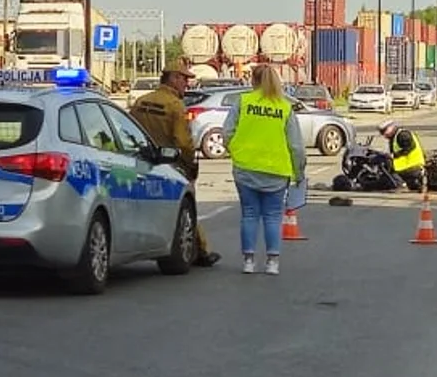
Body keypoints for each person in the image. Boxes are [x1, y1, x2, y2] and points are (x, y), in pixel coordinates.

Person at [129, 58, 221, 267]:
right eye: (184, 79)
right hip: (170, 164)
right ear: (173, 78)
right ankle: (201, 251)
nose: (186, 84)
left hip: (140, 162)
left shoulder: (142, 101)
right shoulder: (174, 105)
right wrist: (189, 164)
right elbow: (183, 142)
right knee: (185, 207)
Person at [222, 64, 306, 275]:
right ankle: (272, 262)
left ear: (253, 81)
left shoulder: (243, 102)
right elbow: (296, 145)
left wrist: (235, 151)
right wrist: (299, 173)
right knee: (273, 216)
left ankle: (248, 261)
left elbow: (227, 132)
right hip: (276, 171)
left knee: (249, 214)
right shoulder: (284, 107)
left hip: (245, 167)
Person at [376, 119, 427, 190]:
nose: (384, 135)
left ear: (391, 127)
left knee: (386, 165)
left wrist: (394, 155)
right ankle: (413, 183)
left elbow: (409, 148)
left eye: (384, 131)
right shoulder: (394, 137)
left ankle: (401, 185)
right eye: (382, 133)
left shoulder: (403, 134)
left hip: (412, 164)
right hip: (405, 164)